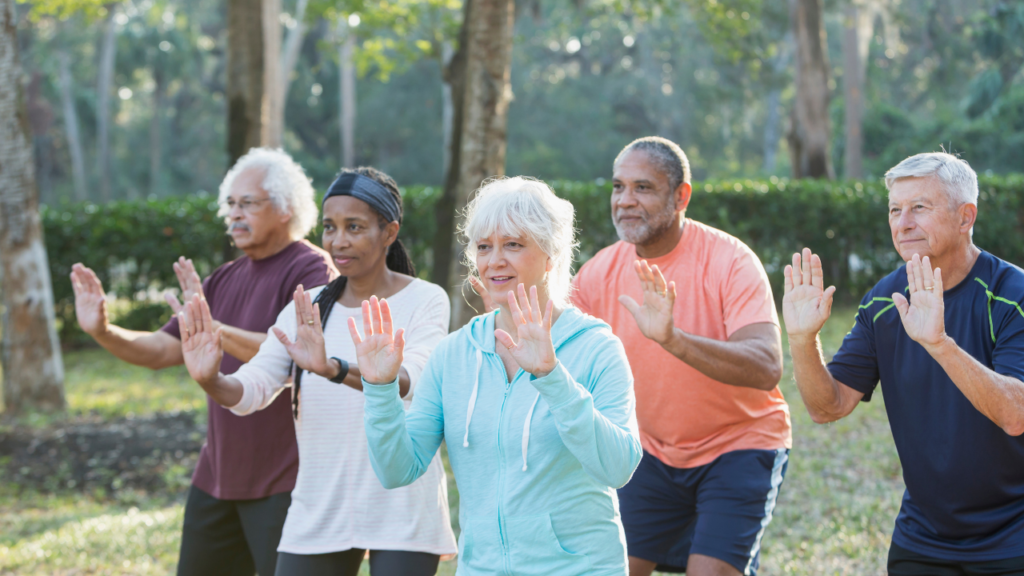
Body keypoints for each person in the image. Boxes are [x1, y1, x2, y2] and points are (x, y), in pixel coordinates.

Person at [353, 176, 642, 575]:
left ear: (551, 255)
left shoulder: (596, 347)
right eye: (484, 247)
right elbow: (397, 469)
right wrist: (381, 389)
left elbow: (618, 467)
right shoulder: (454, 353)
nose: (494, 261)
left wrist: (552, 377)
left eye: (514, 244)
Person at [70, 147, 336, 576]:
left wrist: (217, 328)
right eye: (229, 203)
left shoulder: (312, 270)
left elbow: (296, 356)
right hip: (217, 476)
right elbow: (162, 350)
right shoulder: (224, 277)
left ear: (286, 208)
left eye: (247, 203)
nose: (234, 214)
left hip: (286, 479)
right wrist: (102, 329)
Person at [179, 167, 457, 576]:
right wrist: (211, 380)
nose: (338, 241)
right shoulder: (306, 306)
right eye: (330, 227)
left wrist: (331, 368)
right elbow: (252, 389)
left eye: (355, 227)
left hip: (401, 504)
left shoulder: (424, 299)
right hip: (320, 507)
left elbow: (409, 382)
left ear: (389, 232)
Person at [784, 152, 1024, 575]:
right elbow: (828, 407)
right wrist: (803, 341)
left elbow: (1015, 414)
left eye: (920, 207)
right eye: (895, 209)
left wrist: (939, 343)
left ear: (966, 216)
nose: (903, 222)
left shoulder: (1010, 295)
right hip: (923, 537)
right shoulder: (884, 299)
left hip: (1013, 534)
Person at [571, 137, 789, 576]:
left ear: (681, 196)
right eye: (618, 187)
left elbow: (766, 367)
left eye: (643, 188)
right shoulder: (597, 273)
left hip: (739, 445)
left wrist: (674, 340)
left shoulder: (730, 261)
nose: (625, 201)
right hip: (649, 453)